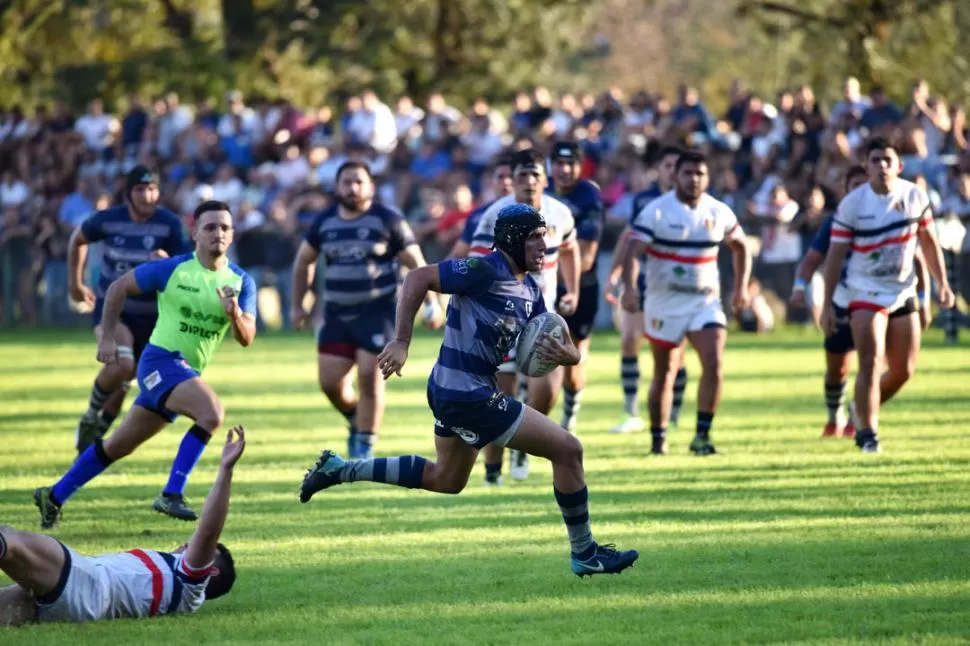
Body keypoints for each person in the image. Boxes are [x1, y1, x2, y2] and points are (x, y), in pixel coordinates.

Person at [299, 204, 639, 577]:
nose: (544, 244)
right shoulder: (483, 268)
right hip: (467, 393)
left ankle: (341, 470)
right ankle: (585, 551)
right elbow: (416, 278)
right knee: (568, 449)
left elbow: (561, 340)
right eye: (535, 237)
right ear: (511, 239)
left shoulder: (530, 287)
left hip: (456, 390)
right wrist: (400, 341)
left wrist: (569, 355)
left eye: (545, 236)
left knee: (446, 479)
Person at [35, 201, 257, 527]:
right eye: (210, 227)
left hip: (183, 373)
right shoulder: (173, 269)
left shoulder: (241, 282)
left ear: (233, 234)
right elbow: (117, 288)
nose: (218, 234)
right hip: (159, 362)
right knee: (211, 413)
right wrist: (108, 337)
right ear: (194, 232)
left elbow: (247, 337)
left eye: (224, 227)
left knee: (117, 446)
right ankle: (171, 493)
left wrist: (234, 312)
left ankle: (53, 495)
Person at [2, 427, 243, 625]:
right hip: (73, 604)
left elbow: (209, 531)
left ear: (211, 570)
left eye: (205, 549)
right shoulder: (178, 587)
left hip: (85, 584)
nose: (189, 543)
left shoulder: (191, 583)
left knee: (10, 539)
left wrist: (225, 470)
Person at [291, 161, 440, 461]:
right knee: (330, 383)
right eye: (347, 182)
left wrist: (432, 303)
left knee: (370, 377)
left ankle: (364, 447)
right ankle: (355, 417)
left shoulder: (389, 220)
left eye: (359, 182)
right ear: (337, 186)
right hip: (337, 313)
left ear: (371, 186)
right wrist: (298, 305)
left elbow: (417, 264)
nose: (353, 188)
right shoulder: (324, 222)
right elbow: (303, 261)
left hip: (379, 311)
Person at [821, 137, 955, 453]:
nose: (882, 166)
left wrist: (942, 285)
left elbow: (928, 244)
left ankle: (860, 408)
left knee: (904, 369)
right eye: (875, 160)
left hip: (902, 290)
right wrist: (827, 304)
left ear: (899, 165)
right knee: (870, 360)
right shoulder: (853, 204)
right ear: (866, 167)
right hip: (863, 290)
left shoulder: (914, 196)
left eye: (887, 160)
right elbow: (834, 258)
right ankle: (868, 434)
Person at [621, 151, 752, 455]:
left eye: (700, 174)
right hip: (664, 303)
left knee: (715, 363)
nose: (694, 179)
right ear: (675, 176)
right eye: (688, 173)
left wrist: (741, 289)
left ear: (707, 178)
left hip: (705, 303)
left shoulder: (719, 211)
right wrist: (629, 289)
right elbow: (633, 253)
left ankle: (702, 437)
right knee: (665, 372)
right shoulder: (655, 212)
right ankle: (659, 439)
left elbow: (741, 246)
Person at [469, 148, 579, 483]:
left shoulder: (560, 214)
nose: (529, 181)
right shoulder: (494, 216)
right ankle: (492, 473)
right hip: (500, 320)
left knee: (545, 391)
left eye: (535, 175)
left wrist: (571, 288)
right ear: (511, 181)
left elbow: (571, 250)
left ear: (546, 180)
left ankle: (521, 445)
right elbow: (475, 262)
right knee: (498, 395)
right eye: (522, 175)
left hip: (541, 318)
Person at [68, 166, 188, 456]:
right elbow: (78, 239)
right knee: (121, 365)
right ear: (128, 193)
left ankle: (96, 436)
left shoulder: (169, 224)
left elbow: (187, 267)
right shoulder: (110, 219)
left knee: (125, 382)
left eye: (152, 189)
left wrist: (168, 262)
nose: (147, 195)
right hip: (116, 311)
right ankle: (90, 414)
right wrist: (75, 283)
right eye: (140, 189)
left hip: (154, 317)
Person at [605, 146, 690, 434]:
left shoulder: (693, 203)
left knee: (675, 352)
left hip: (674, 287)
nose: (671, 170)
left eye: (676, 165)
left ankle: (673, 412)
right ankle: (631, 411)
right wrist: (616, 273)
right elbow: (628, 237)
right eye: (667, 165)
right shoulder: (644, 199)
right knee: (629, 339)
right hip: (640, 282)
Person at [791, 166, 869, 438]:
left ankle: (859, 414)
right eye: (855, 184)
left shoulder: (887, 217)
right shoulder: (836, 220)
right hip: (842, 299)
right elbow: (811, 259)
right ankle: (834, 415)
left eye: (865, 184)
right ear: (846, 190)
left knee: (873, 362)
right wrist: (800, 287)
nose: (861, 190)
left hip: (877, 299)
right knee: (837, 367)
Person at [547, 141, 605, 433]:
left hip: (581, 286)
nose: (564, 170)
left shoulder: (589, 196)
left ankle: (569, 417)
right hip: (542, 286)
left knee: (573, 359)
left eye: (571, 164)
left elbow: (587, 256)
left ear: (580, 168)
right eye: (559, 163)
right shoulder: (539, 192)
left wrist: (553, 275)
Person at [447, 155, 515, 260]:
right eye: (500, 177)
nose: (506, 182)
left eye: (511, 177)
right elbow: (457, 254)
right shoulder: (478, 215)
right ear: (492, 182)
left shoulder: (533, 214)